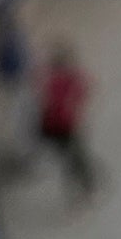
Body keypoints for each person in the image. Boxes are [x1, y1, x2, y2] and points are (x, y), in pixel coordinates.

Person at [34, 40, 98, 201]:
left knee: (73, 158)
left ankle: (86, 187)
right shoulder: (60, 79)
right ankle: (87, 187)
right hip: (62, 126)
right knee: (74, 157)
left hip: (63, 125)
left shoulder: (58, 79)